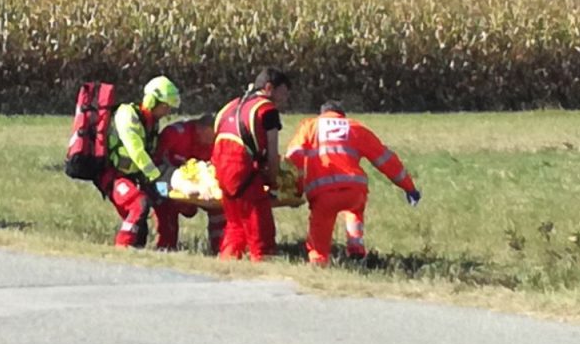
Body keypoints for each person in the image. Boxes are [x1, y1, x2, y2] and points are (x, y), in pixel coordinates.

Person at [284, 100, 421, 265]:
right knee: (354, 210)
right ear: (342, 115)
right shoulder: (355, 128)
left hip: (323, 194)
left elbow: (294, 158)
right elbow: (386, 161)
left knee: (320, 230)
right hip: (354, 191)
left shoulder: (310, 126)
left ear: (322, 114)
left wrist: (294, 188)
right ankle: (356, 249)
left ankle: (318, 263)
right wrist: (409, 187)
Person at [212, 68, 291, 261]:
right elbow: (272, 153)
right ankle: (263, 267)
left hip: (222, 174)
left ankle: (228, 264)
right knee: (261, 232)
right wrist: (273, 181)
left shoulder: (231, 106)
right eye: (284, 92)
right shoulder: (268, 110)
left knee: (235, 225)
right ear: (269, 88)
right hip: (245, 173)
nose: (286, 98)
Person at [98, 76, 181, 248]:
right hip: (114, 175)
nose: (167, 112)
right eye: (165, 107)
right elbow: (136, 150)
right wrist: (156, 176)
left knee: (165, 201)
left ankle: (165, 248)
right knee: (139, 204)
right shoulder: (127, 115)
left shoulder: (152, 123)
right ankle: (122, 248)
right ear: (153, 101)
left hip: (137, 176)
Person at [152, 114, 225, 252]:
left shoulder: (214, 143)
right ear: (200, 129)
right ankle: (165, 247)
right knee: (164, 202)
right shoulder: (175, 134)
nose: (212, 141)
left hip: (200, 185)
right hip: (167, 180)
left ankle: (220, 248)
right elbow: (158, 166)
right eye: (211, 135)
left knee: (219, 206)